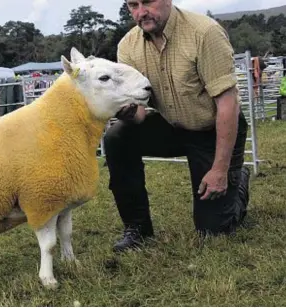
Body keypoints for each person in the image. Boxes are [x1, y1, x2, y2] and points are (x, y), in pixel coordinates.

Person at [103, 0, 251, 253]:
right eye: (133, 5)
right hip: (172, 125)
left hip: (213, 130)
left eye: (148, 2)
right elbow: (139, 113)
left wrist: (220, 169)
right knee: (117, 136)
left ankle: (238, 179)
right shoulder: (128, 45)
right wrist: (127, 113)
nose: (141, 12)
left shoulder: (204, 32)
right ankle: (137, 227)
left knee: (213, 229)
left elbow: (228, 105)